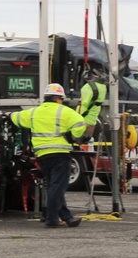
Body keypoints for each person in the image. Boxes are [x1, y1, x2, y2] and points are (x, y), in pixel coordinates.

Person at [10, 83, 89, 228]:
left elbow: (15, 118)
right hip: (60, 154)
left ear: (46, 97)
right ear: (59, 98)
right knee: (57, 188)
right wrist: (73, 137)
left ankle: (67, 217)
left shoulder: (33, 112)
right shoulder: (65, 111)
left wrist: (8, 114)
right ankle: (52, 219)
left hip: (42, 156)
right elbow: (80, 123)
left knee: (54, 186)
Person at [76, 66, 108, 139]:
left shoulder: (88, 87)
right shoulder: (103, 87)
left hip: (83, 119)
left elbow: (84, 103)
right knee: (87, 141)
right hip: (92, 120)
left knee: (77, 140)